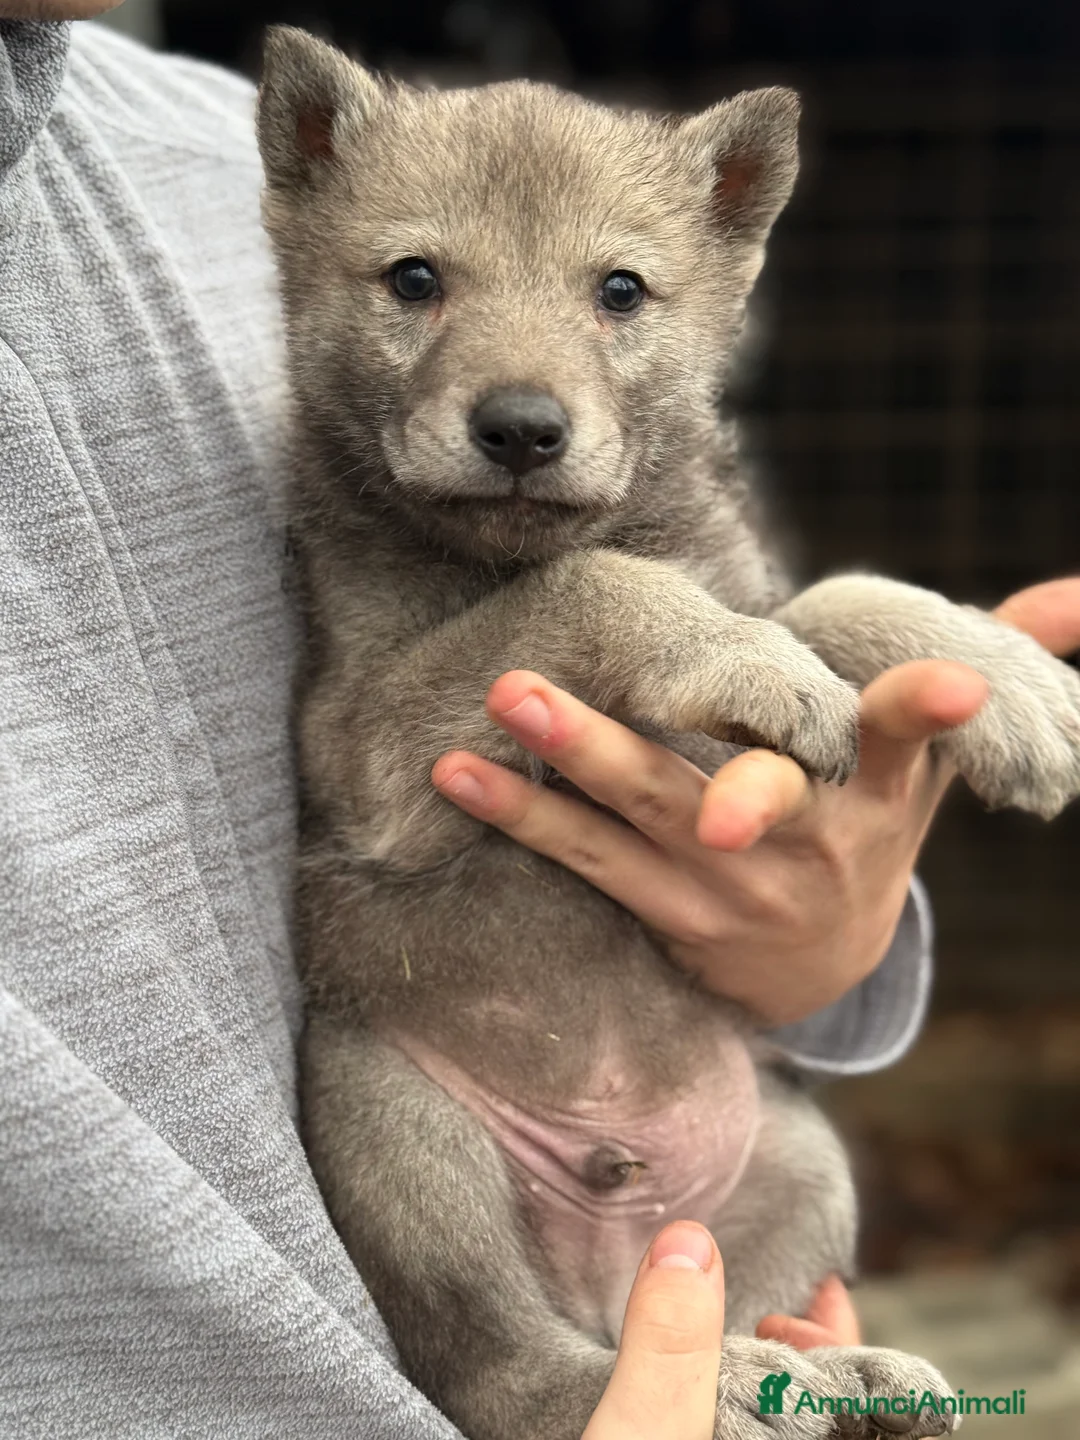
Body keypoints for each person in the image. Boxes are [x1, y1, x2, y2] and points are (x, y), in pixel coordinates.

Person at [1, 6, 1077, 1435]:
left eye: (620, 294)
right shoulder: (365, 520)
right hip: (416, 1134)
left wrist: (894, 696)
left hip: (698, 1154)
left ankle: (748, 1362)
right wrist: (613, 615)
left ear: (730, 243)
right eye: (417, 281)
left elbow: (767, 687)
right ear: (305, 197)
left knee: (805, 1167)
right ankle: (522, 1378)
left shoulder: (182, 146)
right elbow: (384, 785)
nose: (522, 385)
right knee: (372, 1078)